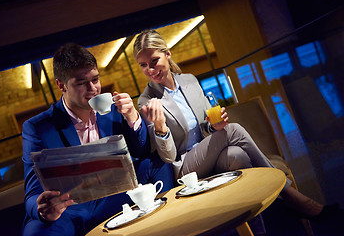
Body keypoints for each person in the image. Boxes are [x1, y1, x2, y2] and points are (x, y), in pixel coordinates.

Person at [134, 29, 335, 220]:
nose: (150, 70)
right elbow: (168, 157)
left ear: (167, 54)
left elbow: (206, 126)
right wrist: (160, 127)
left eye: (154, 61)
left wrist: (215, 126)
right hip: (184, 166)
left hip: (211, 151)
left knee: (237, 156)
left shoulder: (189, 81)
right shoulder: (147, 101)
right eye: (143, 65)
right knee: (234, 129)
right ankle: (292, 195)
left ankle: (260, 224)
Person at [22, 43, 173, 236]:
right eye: (81, 83)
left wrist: (133, 119)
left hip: (114, 195)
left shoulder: (112, 109)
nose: (93, 89)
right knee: (36, 231)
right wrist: (42, 210)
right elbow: (32, 193)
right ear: (62, 85)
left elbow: (142, 153)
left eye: (95, 79)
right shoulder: (37, 127)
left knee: (157, 164)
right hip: (71, 209)